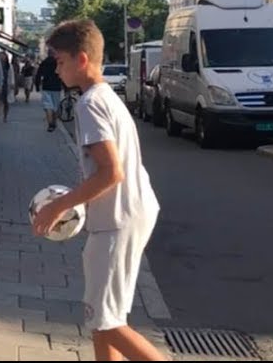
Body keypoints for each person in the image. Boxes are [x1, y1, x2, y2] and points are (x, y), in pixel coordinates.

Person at [32, 19, 165, 362]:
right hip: (124, 214)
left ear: (81, 60)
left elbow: (111, 173)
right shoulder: (105, 96)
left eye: (59, 61)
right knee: (101, 317)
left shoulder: (89, 104)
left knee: (107, 323)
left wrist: (57, 206)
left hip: (117, 219)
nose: (56, 69)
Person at [36, 51, 65, 132]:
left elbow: (38, 74)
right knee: (55, 106)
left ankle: (50, 125)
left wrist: (37, 86)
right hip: (56, 87)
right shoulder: (58, 62)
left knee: (48, 106)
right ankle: (54, 122)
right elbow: (62, 74)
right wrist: (65, 86)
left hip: (46, 87)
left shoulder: (44, 62)